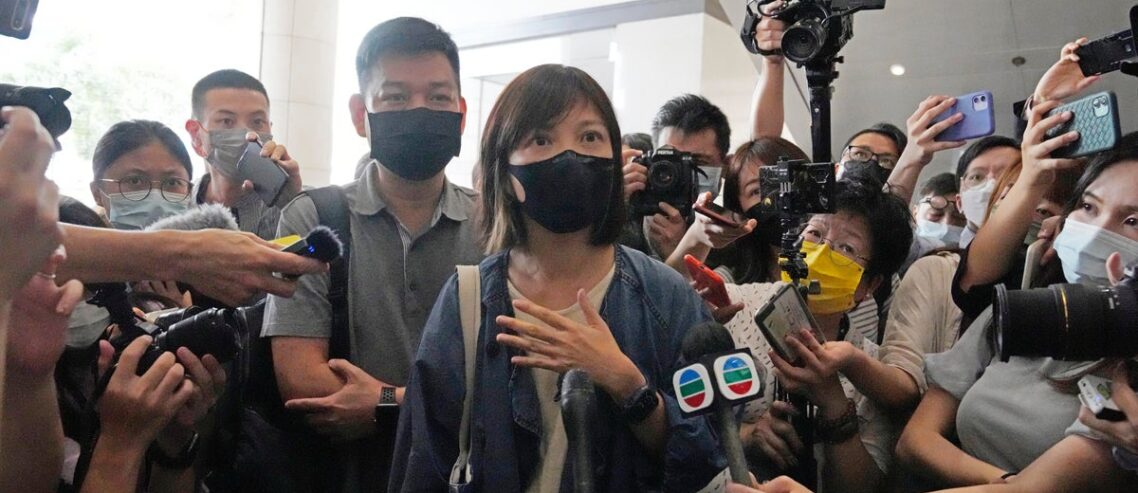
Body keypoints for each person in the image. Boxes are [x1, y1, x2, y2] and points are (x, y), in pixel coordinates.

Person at [390, 63, 724, 492]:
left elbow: (709, 461)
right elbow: (423, 465)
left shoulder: (665, 297)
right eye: (542, 139)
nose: (570, 155)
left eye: (590, 137)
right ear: (504, 172)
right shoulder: (468, 300)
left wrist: (627, 384)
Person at [263, 17, 483, 491]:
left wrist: (386, 402)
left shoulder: (494, 225)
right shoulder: (310, 218)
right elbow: (301, 382)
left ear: (461, 113)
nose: (419, 111)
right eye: (396, 98)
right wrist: (444, 406)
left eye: (438, 98)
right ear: (361, 114)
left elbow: (512, 384)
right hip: (351, 475)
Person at [894, 117, 1138, 492]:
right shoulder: (1026, 308)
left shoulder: (1128, 374)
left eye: (1133, 220)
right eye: (1089, 207)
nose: (1098, 231)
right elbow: (913, 443)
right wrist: (1004, 480)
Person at [184, 69, 302, 240]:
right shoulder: (173, 209)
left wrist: (295, 205)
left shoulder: (298, 201)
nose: (248, 134)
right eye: (227, 121)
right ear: (196, 135)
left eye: (257, 122)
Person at [623, 94, 732, 260]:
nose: (680, 172)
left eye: (697, 161)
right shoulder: (621, 219)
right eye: (670, 160)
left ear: (724, 167)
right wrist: (612, 208)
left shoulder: (729, 235)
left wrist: (681, 253)